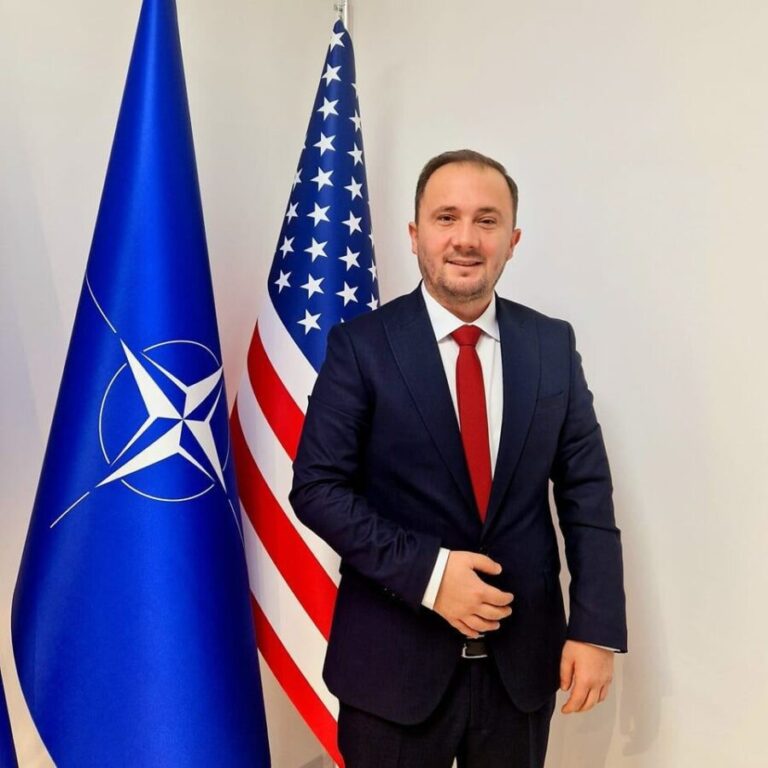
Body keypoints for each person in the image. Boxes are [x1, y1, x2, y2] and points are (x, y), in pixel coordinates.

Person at [290, 149, 627, 768]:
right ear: (415, 234)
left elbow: (587, 496)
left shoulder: (552, 345)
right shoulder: (360, 347)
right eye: (446, 218)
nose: (466, 238)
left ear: (513, 240)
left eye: (487, 220)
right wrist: (431, 574)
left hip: (520, 671)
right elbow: (317, 488)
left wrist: (595, 627)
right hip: (392, 670)